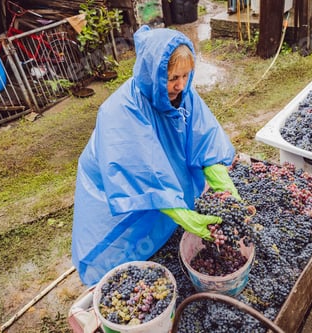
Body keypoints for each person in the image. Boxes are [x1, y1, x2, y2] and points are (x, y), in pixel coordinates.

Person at [71, 25, 240, 286]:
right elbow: (143, 176)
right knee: (124, 233)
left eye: (186, 75)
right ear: (154, 74)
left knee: (160, 208)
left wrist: (225, 187)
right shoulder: (120, 111)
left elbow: (204, 138)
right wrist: (186, 217)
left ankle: (155, 237)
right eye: (173, 77)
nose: (181, 85)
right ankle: (117, 266)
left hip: (149, 171)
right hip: (111, 180)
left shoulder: (185, 95)